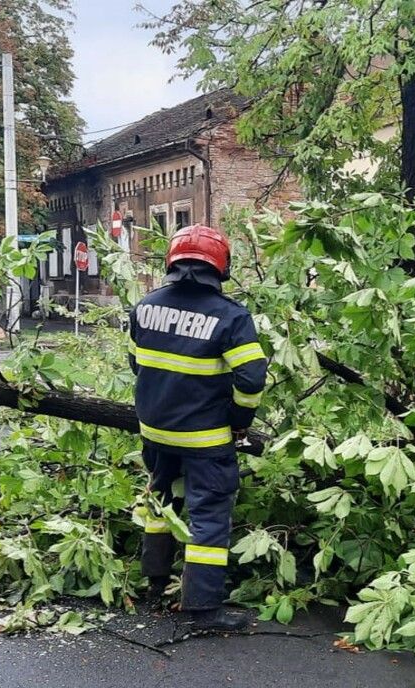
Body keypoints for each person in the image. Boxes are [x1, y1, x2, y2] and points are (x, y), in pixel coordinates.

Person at [127, 224, 267, 631]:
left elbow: (138, 364)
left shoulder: (145, 305)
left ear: (172, 261)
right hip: (205, 436)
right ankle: (203, 610)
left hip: (154, 429)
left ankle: (155, 582)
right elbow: (252, 379)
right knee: (209, 514)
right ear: (220, 267)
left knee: (160, 499)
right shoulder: (231, 317)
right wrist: (239, 421)